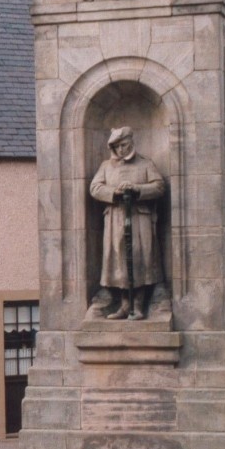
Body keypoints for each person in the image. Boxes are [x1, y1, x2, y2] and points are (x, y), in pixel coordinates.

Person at [89, 126, 165, 320]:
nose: (121, 149)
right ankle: (124, 306)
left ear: (131, 142)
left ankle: (138, 306)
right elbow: (95, 188)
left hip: (140, 218)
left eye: (124, 145)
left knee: (140, 260)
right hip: (115, 219)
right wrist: (114, 193)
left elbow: (159, 186)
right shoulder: (106, 166)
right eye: (117, 146)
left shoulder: (146, 164)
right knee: (119, 262)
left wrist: (137, 189)